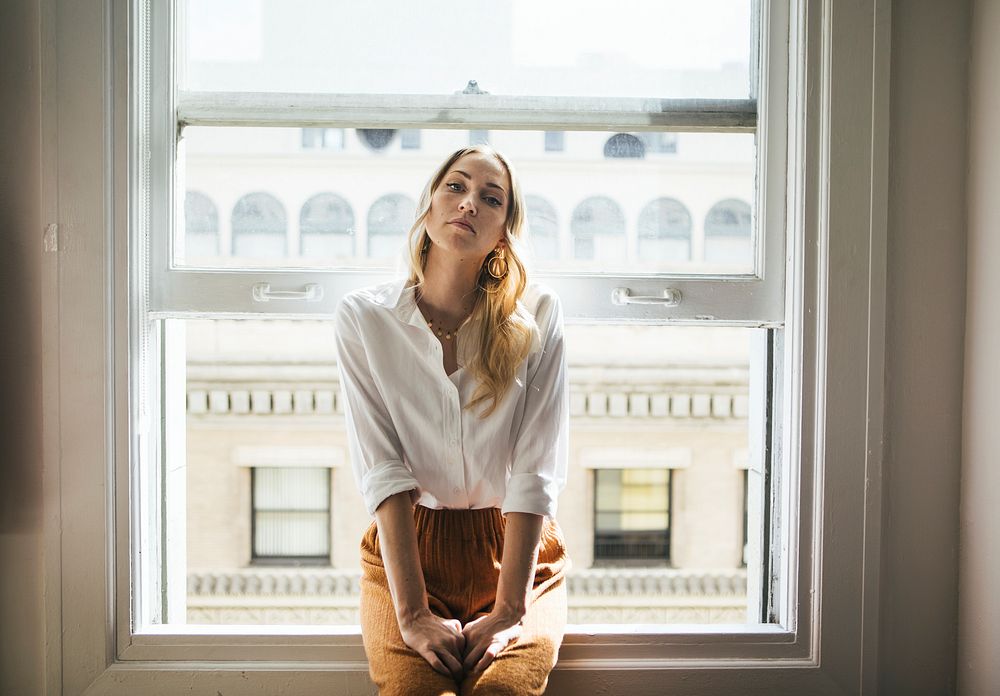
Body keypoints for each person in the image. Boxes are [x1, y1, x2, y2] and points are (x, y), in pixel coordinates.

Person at [334, 145, 570, 696]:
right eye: (455, 187)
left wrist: (511, 608)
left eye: (491, 199)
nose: (468, 204)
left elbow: (536, 468)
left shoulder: (536, 315)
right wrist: (412, 614)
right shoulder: (364, 318)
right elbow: (383, 471)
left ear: (503, 233)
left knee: (504, 692)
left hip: (515, 554)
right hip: (409, 552)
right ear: (429, 204)